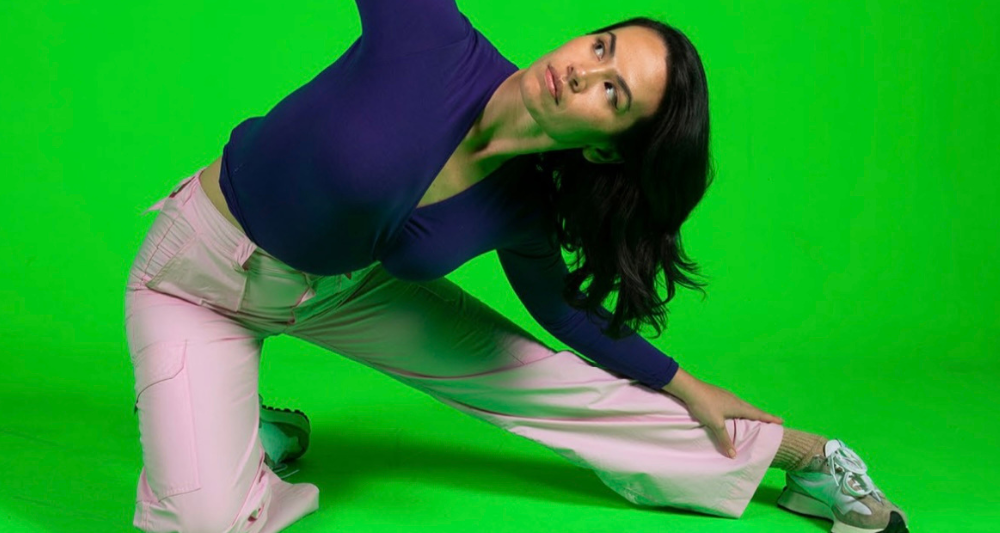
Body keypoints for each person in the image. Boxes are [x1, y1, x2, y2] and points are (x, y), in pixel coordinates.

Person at [124, 1, 909, 532]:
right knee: (201, 523)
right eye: (601, 48)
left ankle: (803, 461)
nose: (581, 71)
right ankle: (246, 432)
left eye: (613, 93)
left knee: (540, 375)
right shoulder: (430, 38)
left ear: (607, 146)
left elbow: (563, 316)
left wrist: (688, 384)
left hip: (336, 294)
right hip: (194, 279)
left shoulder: (525, 208)